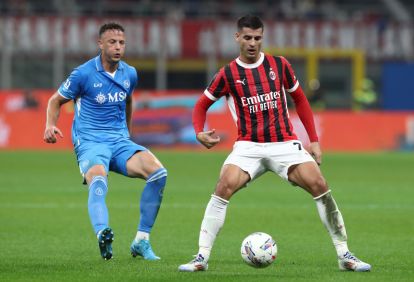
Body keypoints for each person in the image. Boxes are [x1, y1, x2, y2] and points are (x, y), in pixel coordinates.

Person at [178, 15, 371, 272]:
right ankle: (201, 257)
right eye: (247, 37)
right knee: (223, 187)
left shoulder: (279, 65)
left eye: (257, 38)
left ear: (262, 37)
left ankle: (344, 254)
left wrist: (313, 140)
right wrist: (198, 131)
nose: (252, 43)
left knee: (320, 185)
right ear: (237, 37)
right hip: (248, 146)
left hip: (284, 144)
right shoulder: (227, 73)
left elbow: (300, 100)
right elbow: (201, 104)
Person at [43, 23, 167, 261]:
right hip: (90, 141)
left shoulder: (130, 73)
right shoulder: (83, 73)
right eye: (112, 42)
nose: (118, 47)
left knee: (159, 173)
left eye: (121, 43)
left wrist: (128, 133)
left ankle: (142, 241)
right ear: (100, 44)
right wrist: (50, 125)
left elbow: (128, 100)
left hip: (119, 141)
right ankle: (102, 232)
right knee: (98, 179)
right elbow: (55, 101)